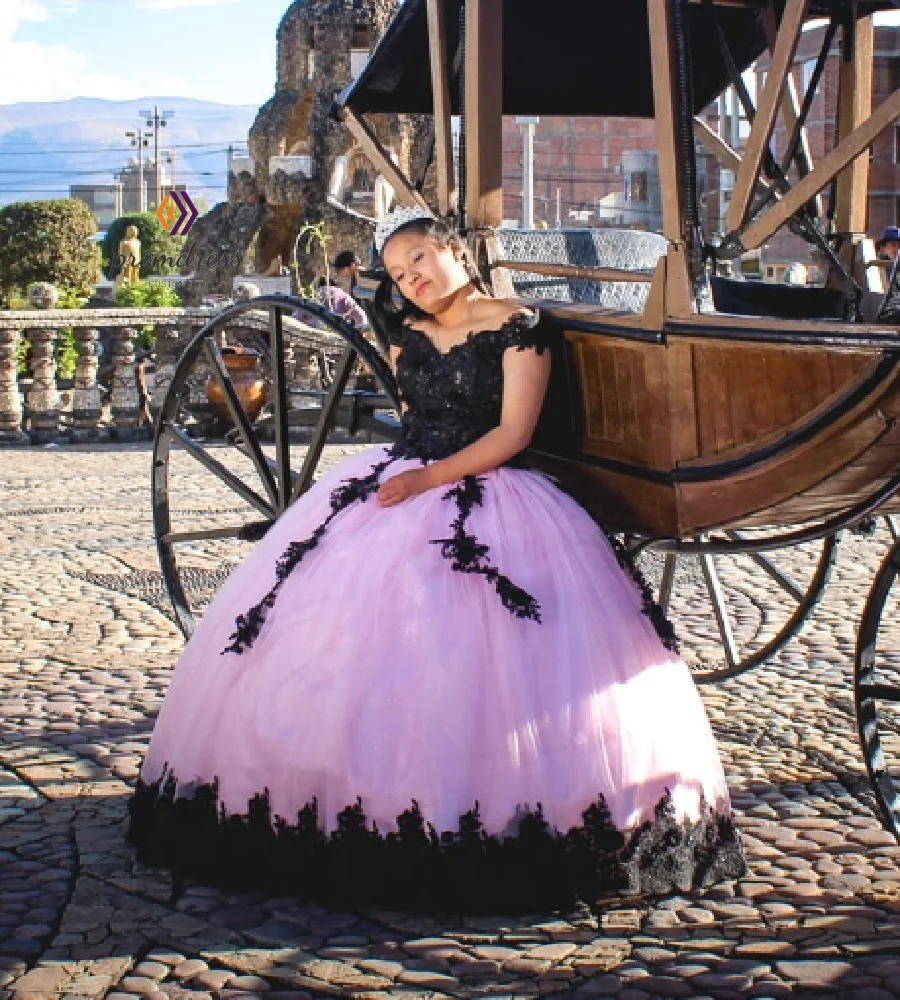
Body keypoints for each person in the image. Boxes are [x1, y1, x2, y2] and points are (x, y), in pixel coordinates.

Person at [128, 206, 745, 911]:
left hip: (489, 487)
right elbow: (410, 416)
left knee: (496, 645)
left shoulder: (522, 326)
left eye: (418, 258)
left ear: (455, 249)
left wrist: (428, 479)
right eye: (395, 272)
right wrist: (411, 475)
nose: (409, 278)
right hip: (401, 480)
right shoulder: (408, 335)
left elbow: (514, 432)